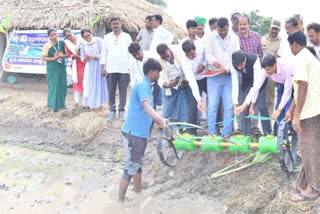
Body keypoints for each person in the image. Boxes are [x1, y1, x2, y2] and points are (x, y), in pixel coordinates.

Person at [119, 58, 167, 202]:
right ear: (152, 72)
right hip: (134, 134)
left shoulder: (148, 85)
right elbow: (147, 107)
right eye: (158, 73)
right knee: (130, 168)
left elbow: (147, 110)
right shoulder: (142, 86)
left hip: (139, 134)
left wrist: (157, 121)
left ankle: (138, 193)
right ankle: (119, 204)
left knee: (138, 164)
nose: (159, 75)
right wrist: (160, 120)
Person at [286, 31, 320, 202]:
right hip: (314, 109)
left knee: (310, 149)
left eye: (290, 46)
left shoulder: (300, 57)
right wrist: (292, 110)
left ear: (295, 44)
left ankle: (313, 189)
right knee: (310, 148)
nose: (290, 49)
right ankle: (304, 183)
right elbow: (298, 90)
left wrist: (297, 115)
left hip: (309, 111)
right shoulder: (310, 57)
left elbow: (303, 86)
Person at [233, 53, 292, 135]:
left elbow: (288, 91)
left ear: (274, 66)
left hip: (294, 83)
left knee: (287, 110)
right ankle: (279, 137)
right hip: (282, 84)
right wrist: (244, 105)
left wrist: (279, 110)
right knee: (279, 112)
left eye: (268, 69)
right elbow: (255, 87)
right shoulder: (265, 70)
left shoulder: (286, 67)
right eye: (265, 70)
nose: (267, 72)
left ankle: (291, 133)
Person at [205, 17, 240, 137]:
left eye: (225, 30)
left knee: (229, 106)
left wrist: (227, 69)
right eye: (220, 30)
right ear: (217, 28)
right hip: (213, 76)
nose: (223, 33)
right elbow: (207, 54)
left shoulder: (234, 37)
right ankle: (211, 133)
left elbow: (237, 57)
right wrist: (213, 61)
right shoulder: (210, 37)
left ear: (228, 27)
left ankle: (226, 133)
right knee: (212, 106)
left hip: (229, 76)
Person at [156, 43, 205, 124]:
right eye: (163, 57)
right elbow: (159, 79)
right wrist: (168, 85)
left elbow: (191, 78)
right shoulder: (159, 62)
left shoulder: (179, 53)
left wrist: (198, 100)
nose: (166, 58)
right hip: (169, 89)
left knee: (183, 110)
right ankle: (166, 131)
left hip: (183, 85)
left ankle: (182, 131)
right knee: (167, 111)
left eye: (167, 55)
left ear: (169, 49)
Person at [231, 50, 272, 136]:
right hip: (247, 83)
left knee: (261, 106)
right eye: (237, 67)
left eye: (241, 65)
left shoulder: (254, 59)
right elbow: (234, 85)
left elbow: (256, 86)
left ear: (244, 60)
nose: (240, 68)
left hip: (259, 83)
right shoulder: (233, 65)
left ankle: (268, 134)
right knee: (243, 109)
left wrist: (252, 105)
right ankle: (245, 135)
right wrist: (235, 104)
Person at [237, 13, 265, 135]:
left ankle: (254, 126)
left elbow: (260, 53)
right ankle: (240, 126)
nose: (242, 26)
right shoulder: (235, 38)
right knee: (242, 99)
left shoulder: (256, 36)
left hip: (255, 70)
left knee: (255, 97)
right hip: (242, 72)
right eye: (240, 24)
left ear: (249, 24)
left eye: (244, 24)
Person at [100, 17, 132, 120]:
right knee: (111, 91)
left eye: (117, 24)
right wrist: (102, 67)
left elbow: (131, 53)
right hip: (110, 68)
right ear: (111, 25)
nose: (115, 25)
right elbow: (103, 53)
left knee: (123, 91)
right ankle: (112, 111)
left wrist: (131, 67)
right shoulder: (107, 37)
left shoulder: (127, 37)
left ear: (121, 24)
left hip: (124, 69)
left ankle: (122, 111)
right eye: (113, 24)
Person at [180, 20, 207, 132]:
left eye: (194, 54)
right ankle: (192, 132)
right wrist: (199, 100)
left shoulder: (201, 44)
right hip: (193, 80)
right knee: (192, 106)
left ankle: (217, 127)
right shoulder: (185, 62)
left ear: (195, 49)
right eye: (190, 56)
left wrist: (204, 65)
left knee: (215, 100)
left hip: (205, 77)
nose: (193, 57)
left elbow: (207, 57)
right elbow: (191, 80)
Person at [42, 28, 69, 112]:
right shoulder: (47, 45)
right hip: (52, 68)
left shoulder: (62, 43)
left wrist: (62, 56)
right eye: (52, 35)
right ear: (49, 36)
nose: (54, 36)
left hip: (61, 67)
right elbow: (44, 58)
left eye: (55, 34)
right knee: (54, 86)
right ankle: (52, 106)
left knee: (62, 85)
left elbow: (68, 54)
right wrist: (53, 58)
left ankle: (62, 105)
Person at [80, 28, 108, 110]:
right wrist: (86, 58)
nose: (87, 38)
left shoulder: (98, 41)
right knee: (90, 84)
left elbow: (103, 54)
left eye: (88, 35)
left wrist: (93, 57)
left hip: (99, 65)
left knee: (99, 83)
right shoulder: (83, 44)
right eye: (85, 37)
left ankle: (100, 103)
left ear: (91, 34)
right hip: (90, 67)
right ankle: (92, 103)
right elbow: (82, 58)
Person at [261, 20, 282, 121]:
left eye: (277, 29)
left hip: (272, 75)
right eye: (273, 28)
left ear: (279, 30)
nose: (274, 30)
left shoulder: (281, 42)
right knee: (259, 97)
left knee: (270, 98)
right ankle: (256, 124)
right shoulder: (262, 39)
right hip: (261, 72)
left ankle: (269, 121)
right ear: (270, 27)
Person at [128, 42, 160, 109]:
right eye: (134, 55)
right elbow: (132, 75)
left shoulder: (151, 55)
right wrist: (134, 87)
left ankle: (152, 119)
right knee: (142, 106)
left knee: (151, 105)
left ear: (141, 50)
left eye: (138, 54)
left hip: (154, 84)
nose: (137, 56)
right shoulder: (132, 60)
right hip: (141, 86)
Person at [63, 28, 85, 107]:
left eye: (70, 35)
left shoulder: (81, 39)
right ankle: (76, 102)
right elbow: (69, 54)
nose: (70, 37)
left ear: (72, 33)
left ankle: (86, 102)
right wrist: (73, 56)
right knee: (76, 81)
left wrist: (81, 54)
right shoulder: (67, 44)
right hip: (76, 65)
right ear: (66, 38)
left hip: (85, 63)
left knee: (86, 81)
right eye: (68, 36)